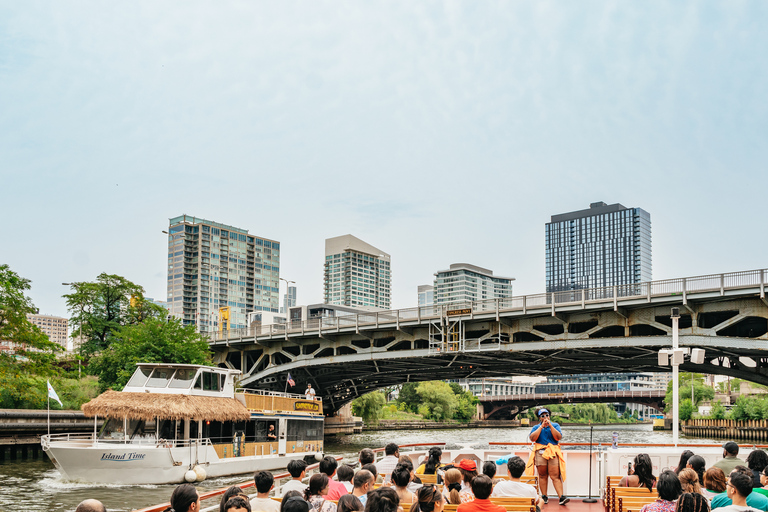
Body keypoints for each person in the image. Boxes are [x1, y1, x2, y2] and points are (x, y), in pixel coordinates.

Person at [526, 408, 568, 505]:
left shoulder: (555, 425)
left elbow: (558, 437)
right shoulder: (536, 427)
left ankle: (561, 497)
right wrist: (541, 427)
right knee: (542, 475)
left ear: (549, 416)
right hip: (540, 452)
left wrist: (550, 425)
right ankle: (544, 496)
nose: (545, 417)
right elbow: (532, 438)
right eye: (543, 416)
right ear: (539, 418)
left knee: (555, 476)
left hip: (552, 453)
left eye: (547, 415)